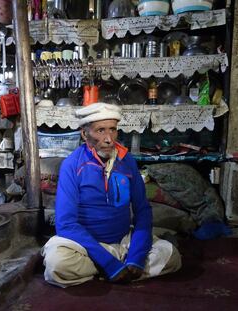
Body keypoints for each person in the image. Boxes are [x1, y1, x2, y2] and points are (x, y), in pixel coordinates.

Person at [42, 103, 181, 287]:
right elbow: (66, 224)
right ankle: (112, 268)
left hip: (123, 242)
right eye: (100, 130)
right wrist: (107, 262)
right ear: (85, 134)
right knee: (57, 264)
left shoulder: (127, 161)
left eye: (113, 130)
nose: (108, 139)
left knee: (172, 256)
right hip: (85, 247)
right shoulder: (72, 165)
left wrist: (136, 257)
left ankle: (118, 267)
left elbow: (143, 211)